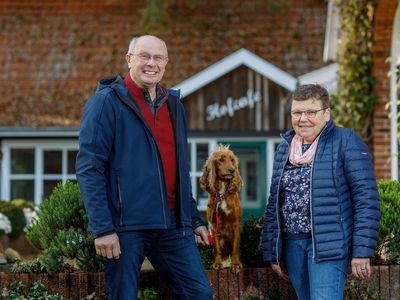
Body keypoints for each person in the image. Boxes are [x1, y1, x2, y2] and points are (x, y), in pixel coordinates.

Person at [76, 35, 213, 300]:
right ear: (129, 59)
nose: (152, 63)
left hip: (173, 226)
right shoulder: (106, 103)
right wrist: (102, 228)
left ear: (166, 63)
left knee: (199, 294)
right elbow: (89, 167)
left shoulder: (174, 105)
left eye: (158, 58)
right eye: (144, 56)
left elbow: (178, 169)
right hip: (125, 228)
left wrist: (193, 218)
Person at [262, 84, 380, 300]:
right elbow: (274, 203)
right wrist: (273, 251)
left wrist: (362, 250)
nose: (303, 118)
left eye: (310, 112)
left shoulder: (346, 141)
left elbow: (366, 199)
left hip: (329, 247)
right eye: (297, 112)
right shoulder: (285, 148)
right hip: (293, 245)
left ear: (326, 114)